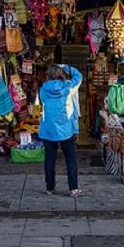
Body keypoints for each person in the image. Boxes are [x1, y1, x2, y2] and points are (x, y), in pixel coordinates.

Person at [38, 63, 84, 197]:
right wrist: (67, 67)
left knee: (49, 159)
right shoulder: (68, 87)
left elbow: (42, 103)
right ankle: (73, 188)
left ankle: (50, 187)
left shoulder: (43, 90)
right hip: (66, 130)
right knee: (70, 159)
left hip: (48, 129)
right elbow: (79, 76)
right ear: (61, 74)